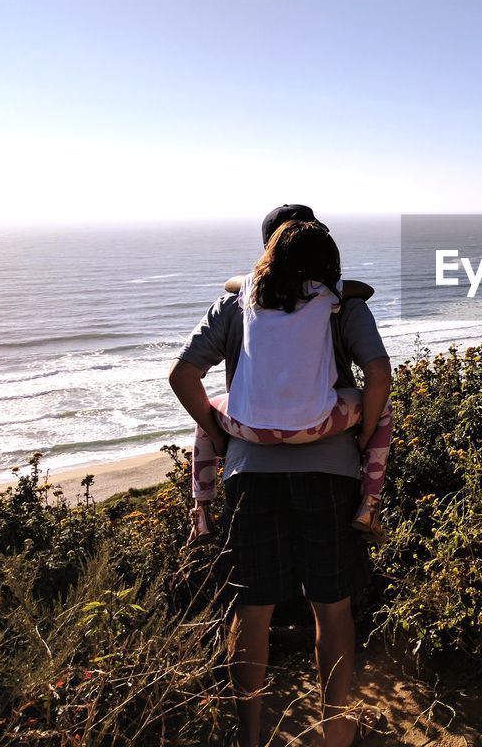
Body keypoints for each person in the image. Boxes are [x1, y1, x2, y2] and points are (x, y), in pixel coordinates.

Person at [169, 204, 391, 747]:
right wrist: (362, 438)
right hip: (330, 470)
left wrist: (219, 433)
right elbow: (380, 374)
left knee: (253, 607)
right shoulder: (343, 305)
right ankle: (336, 734)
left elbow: (182, 375)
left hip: (250, 472)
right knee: (330, 606)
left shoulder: (235, 302)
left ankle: (250, 737)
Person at [187, 219, 387, 545]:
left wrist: (220, 439)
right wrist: (364, 438)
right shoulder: (329, 295)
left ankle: (201, 510)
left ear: (269, 251)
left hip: (249, 434)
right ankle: (370, 505)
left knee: (205, 408)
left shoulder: (247, 293)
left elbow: (228, 285)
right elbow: (366, 293)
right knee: (384, 405)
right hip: (317, 428)